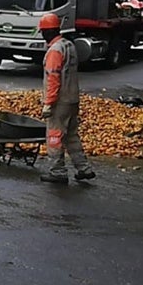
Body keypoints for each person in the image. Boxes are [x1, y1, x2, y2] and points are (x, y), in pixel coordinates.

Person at [38, 12, 95, 184]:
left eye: (42, 31)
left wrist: (49, 103)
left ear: (48, 31)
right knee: (71, 136)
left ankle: (58, 171)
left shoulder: (54, 51)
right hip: (72, 99)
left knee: (54, 136)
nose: (41, 35)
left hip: (59, 102)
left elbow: (53, 78)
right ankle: (84, 169)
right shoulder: (68, 45)